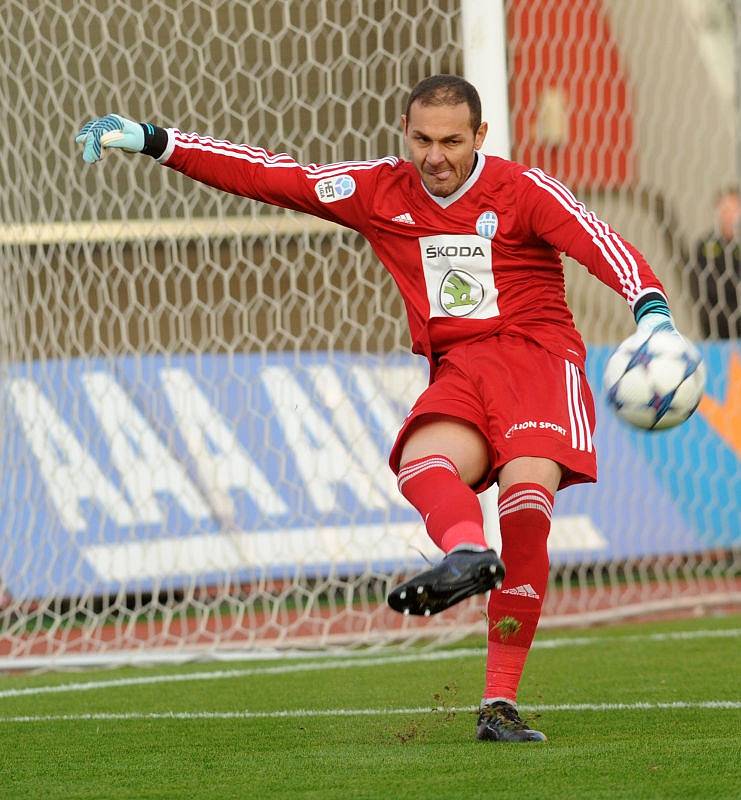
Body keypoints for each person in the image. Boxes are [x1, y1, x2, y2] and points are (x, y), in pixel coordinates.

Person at [76, 75, 683, 743]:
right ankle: (466, 553)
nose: (435, 156)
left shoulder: (520, 189)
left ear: (479, 137)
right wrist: (156, 142)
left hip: (537, 360)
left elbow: (603, 243)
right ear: (405, 130)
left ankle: (498, 704)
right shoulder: (378, 190)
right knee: (420, 462)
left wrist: (650, 313)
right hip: (460, 367)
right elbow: (272, 176)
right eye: (421, 139)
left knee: (526, 505)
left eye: (452, 141)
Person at [690, 187, 740, 339]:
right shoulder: (705, 246)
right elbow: (704, 290)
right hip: (716, 330)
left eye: (734, 209)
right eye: (725, 209)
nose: (729, 216)